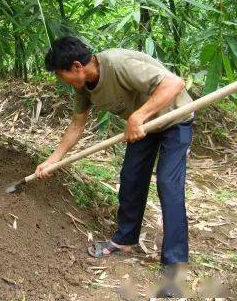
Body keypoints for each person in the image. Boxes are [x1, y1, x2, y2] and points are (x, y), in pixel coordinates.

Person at [36, 36, 194, 293]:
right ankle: (125, 240)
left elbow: (175, 83)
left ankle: (174, 266)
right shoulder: (83, 86)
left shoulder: (118, 64)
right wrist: (54, 160)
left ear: (76, 66)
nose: (60, 80)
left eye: (60, 74)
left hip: (174, 118)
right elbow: (77, 125)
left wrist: (138, 115)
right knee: (131, 178)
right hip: (143, 127)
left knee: (168, 184)